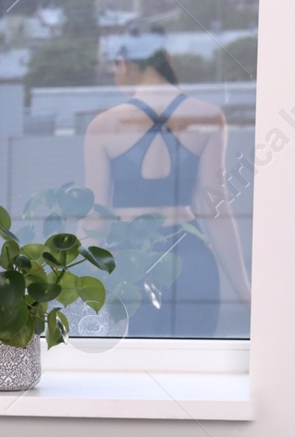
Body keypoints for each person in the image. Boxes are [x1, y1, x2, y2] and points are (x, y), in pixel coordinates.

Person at [81, 27, 251, 338]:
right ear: (167, 59)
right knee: (193, 361)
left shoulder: (104, 125)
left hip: (127, 258)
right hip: (190, 255)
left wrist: (81, 283)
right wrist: (244, 290)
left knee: (134, 365)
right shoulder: (207, 116)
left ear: (123, 63)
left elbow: (96, 216)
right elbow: (215, 208)